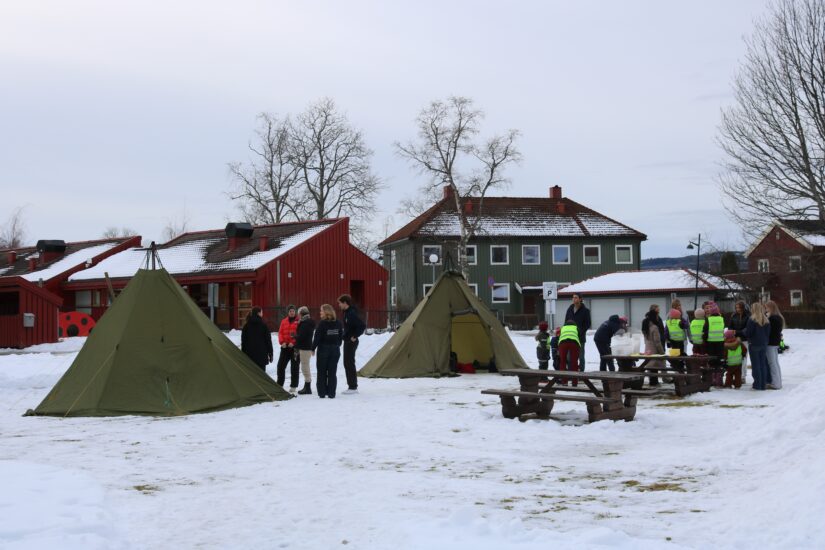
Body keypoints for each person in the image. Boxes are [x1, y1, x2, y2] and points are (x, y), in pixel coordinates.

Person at [312, 304, 344, 398]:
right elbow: (340, 336)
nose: (320, 313)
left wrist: (313, 348)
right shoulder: (338, 323)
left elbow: (317, 337)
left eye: (321, 311)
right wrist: (337, 345)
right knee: (332, 372)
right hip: (335, 350)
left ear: (326, 312)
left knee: (321, 372)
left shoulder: (322, 324)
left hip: (323, 350)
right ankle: (331, 393)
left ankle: (322, 393)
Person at [338, 294, 366, 394]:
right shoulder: (346, 312)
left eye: (340, 303)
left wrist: (355, 336)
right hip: (347, 341)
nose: (339, 305)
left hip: (351, 341)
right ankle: (351, 386)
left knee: (349, 363)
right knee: (347, 363)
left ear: (345, 303)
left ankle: (353, 387)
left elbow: (362, 326)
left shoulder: (351, 313)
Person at [741, 302, 770, 390]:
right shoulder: (766, 320)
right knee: (762, 365)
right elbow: (768, 333)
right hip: (763, 344)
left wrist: (744, 331)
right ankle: (763, 384)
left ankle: (757, 384)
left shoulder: (752, 319)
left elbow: (749, 333)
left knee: (756, 365)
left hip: (753, 344)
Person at [276, 305, 300, 394]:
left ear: (295, 312)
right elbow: (280, 333)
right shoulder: (283, 321)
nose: (292, 312)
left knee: (294, 367)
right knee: (280, 366)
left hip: (295, 348)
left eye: (293, 311)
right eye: (290, 311)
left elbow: (299, 334)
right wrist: (282, 342)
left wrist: (293, 343)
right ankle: (279, 384)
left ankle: (293, 386)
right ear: (288, 312)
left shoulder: (298, 321)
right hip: (285, 347)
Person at [564, 293, 591, 371]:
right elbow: (565, 322)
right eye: (573, 298)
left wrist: (580, 332)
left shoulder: (585, 311)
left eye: (576, 297)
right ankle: (570, 373)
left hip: (580, 337)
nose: (573, 299)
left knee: (581, 357)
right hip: (570, 337)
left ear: (580, 299)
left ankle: (581, 374)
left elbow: (588, 324)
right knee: (569, 357)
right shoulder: (569, 309)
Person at [241, 306, 273, 372]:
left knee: (251, 376)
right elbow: (268, 341)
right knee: (261, 376)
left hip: (249, 355)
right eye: (261, 312)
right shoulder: (263, 325)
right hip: (261, 355)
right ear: (258, 313)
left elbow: (243, 341)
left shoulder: (246, 326)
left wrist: (243, 353)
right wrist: (270, 353)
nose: (262, 314)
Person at [727, 301, 751, 384]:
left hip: (744, 339)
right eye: (736, 307)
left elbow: (747, 329)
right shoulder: (733, 316)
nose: (738, 309)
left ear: (743, 308)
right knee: (737, 358)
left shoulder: (748, 316)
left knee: (743, 358)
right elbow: (730, 326)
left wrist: (736, 332)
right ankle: (738, 376)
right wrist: (731, 333)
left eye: (739, 307)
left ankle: (743, 376)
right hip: (735, 339)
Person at [703, 302, 726, 385]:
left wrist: (704, 340)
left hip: (711, 343)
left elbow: (705, 331)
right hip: (720, 342)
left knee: (712, 361)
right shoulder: (721, 319)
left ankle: (712, 379)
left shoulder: (708, 319)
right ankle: (719, 379)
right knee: (719, 361)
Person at [294, 306, 315, 395]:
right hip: (306, 347)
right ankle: (307, 386)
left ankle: (308, 387)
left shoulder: (305, 323)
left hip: (305, 348)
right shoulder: (307, 322)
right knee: (305, 366)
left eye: (298, 313)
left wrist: (295, 337)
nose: (298, 315)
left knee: (305, 367)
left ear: (301, 313)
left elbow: (302, 336)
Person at [641, 305, 664, 385]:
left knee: (650, 365)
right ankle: (654, 382)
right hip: (654, 349)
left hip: (647, 348)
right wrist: (662, 352)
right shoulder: (654, 327)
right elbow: (657, 342)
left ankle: (652, 381)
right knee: (655, 366)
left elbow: (645, 339)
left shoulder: (645, 326)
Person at [765, 300, 785, 390]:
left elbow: (769, 331)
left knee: (772, 363)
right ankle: (778, 382)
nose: (766, 309)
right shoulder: (779, 317)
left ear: (771, 307)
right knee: (775, 363)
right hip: (775, 342)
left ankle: (776, 384)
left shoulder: (772, 318)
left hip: (770, 343)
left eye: (766, 307)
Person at [557, 320, 581, 386]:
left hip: (563, 343)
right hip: (574, 343)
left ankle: (564, 382)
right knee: (574, 362)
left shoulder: (563, 328)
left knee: (563, 362)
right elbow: (579, 336)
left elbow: (558, 336)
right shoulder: (576, 328)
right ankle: (574, 383)